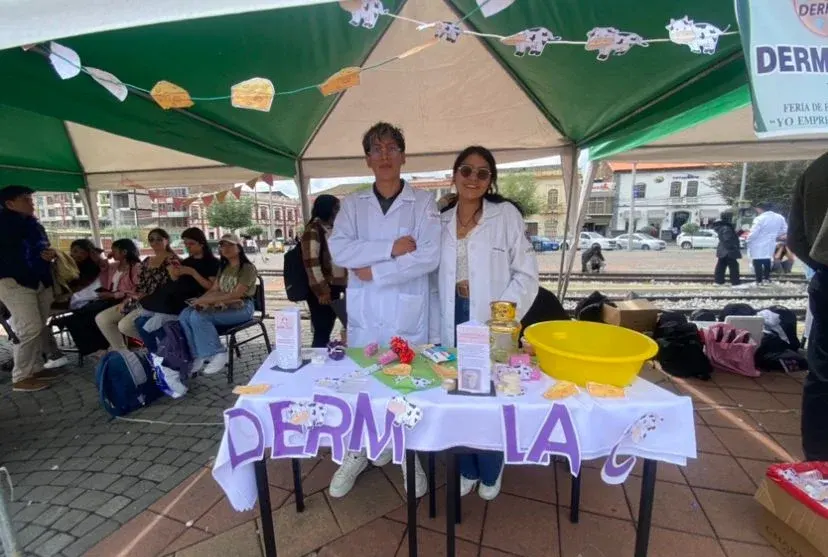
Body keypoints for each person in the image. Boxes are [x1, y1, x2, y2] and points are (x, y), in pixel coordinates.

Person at [327, 122, 440, 499]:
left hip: (407, 314)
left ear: (404, 156)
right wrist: (392, 247)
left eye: (392, 148)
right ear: (368, 160)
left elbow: (429, 256)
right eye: (377, 149)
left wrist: (375, 269)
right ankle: (358, 451)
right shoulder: (352, 203)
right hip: (364, 314)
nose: (386, 155)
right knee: (363, 386)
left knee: (404, 384)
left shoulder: (424, 203)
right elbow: (340, 251)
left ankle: (408, 456)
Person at [436, 146, 539, 500]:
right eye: (466, 171)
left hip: (493, 316)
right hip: (450, 314)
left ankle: (492, 468)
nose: (473, 179)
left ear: (491, 180)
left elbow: (526, 274)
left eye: (482, 173)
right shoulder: (440, 219)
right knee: (460, 393)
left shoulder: (506, 215)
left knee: (491, 393)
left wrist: (501, 316)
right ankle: (466, 466)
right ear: (455, 175)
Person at [0, 185, 67, 391]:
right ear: (10, 203)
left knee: (38, 325)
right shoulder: (4, 225)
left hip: (39, 279)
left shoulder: (32, 224)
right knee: (29, 327)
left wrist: (48, 254)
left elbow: (40, 246)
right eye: (25, 199)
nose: (31, 203)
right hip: (15, 281)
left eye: (31, 199)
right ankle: (21, 376)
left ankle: (36, 367)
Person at [787, 152, 828, 460]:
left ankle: (817, 464)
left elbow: (796, 238)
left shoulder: (817, 167)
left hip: (826, 277)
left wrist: (821, 265)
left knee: (822, 374)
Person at [178, 233, 257, 376]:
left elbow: (236, 295)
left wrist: (206, 301)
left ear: (239, 248)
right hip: (222, 305)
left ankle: (218, 353)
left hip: (242, 307)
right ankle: (197, 355)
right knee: (184, 315)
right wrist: (198, 301)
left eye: (229, 245)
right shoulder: (223, 267)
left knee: (199, 317)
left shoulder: (247, 268)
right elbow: (214, 289)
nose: (225, 248)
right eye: (222, 245)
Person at [135, 228, 220, 351]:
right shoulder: (186, 261)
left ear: (201, 244)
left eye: (191, 244)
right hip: (177, 296)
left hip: (193, 299)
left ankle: (172, 355)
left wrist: (193, 273)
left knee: (151, 323)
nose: (187, 247)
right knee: (140, 322)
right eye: (185, 244)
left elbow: (212, 287)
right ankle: (158, 355)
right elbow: (177, 282)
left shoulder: (212, 262)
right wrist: (174, 274)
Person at [95, 228, 178, 350]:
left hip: (159, 302)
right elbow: (140, 286)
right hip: (140, 299)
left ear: (167, 240)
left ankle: (159, 345)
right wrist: (128, 300)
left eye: (159, 239)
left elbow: (172, 285)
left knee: (125, 325)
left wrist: (135, 297)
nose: (154, 243)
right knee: (102, 318)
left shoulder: (173, 260)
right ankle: (123, 353)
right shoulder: (147, 260)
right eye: (151, 240)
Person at [59, 239, 141, 356]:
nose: (111, 253)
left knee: (90, 316)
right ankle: (98, 350)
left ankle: (102, 347)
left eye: (114, 251)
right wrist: (104, 259)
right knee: (76, 317)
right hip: (109, 299)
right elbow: (103, 269)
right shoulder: (114, 266)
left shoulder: (136, 268)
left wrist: (113, 294)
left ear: (124, 252)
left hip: (123, 300)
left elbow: (136, 291)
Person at [301, 195, 347, 347]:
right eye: (336, 208)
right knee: (323, 330)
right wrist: (322, 291)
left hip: (338, 286)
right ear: (327, 209)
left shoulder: (332, 228)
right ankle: (317, 363)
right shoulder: (313, 230)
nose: (339, 212)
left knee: (341, 326)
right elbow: (311, 263)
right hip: (324, 289)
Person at [746, 202, 788, 285]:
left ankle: (759, 280)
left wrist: (748, 239)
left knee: (757, 261)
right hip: (771, 242)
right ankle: (766, 278)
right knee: (767, 260)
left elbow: (754, 232)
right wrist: (775, 235)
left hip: (757, 243)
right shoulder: (779, 217)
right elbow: (785, 229)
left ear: (760, 209)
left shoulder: (759, 218)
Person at [711, 212, 741, 286]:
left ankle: (718, 281)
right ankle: (735, 282)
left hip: (723, 250)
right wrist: (733, 247)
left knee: (721, 265)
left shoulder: (722, 227)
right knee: (734, 266)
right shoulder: (726, 228)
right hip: (728, 251)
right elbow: (727, 239)